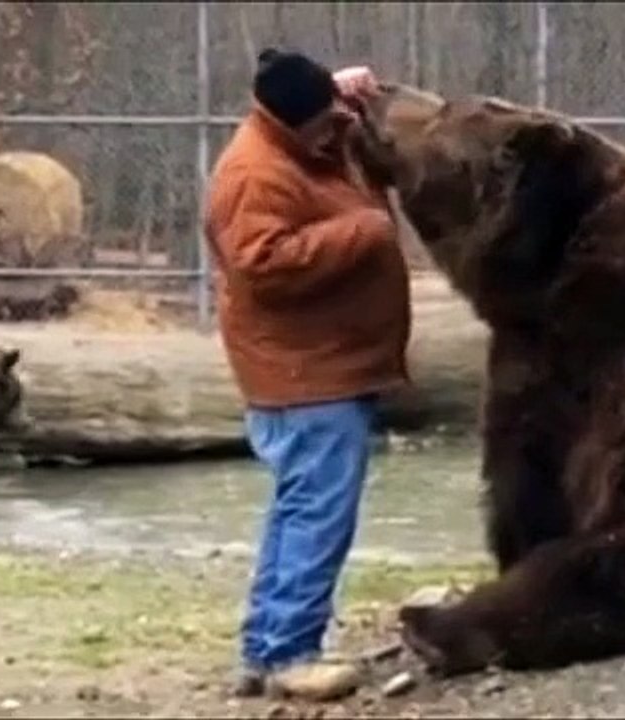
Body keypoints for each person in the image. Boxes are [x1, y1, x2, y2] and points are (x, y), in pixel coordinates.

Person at [204, 48, 412, 701]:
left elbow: (330, 136)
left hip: (320, 362)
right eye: (324, 122)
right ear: (293, 123)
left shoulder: (295, 141)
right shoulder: (255, 174)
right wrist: (363, 231)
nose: (334, 131)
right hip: (304, 374)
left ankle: (265, 647)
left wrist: (343, 100)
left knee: (301, 508)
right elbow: (261, 265)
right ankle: (289, 653)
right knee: (318, 514)